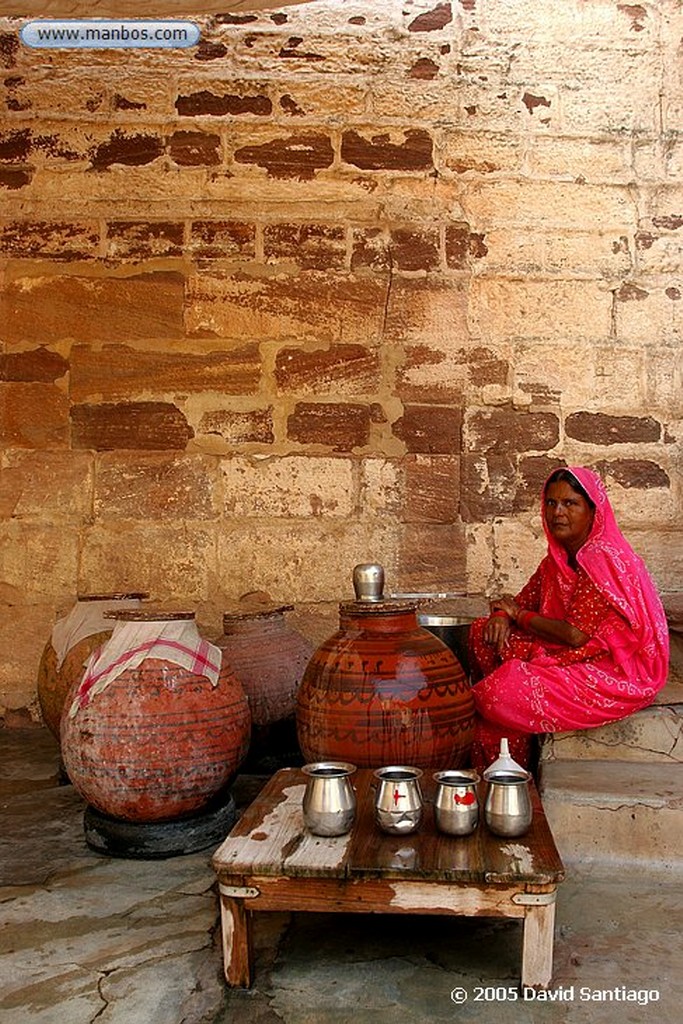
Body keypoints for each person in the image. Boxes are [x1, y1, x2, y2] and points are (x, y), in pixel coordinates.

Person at [468, 466, 670, 771]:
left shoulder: (601, 557)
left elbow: (575, 634)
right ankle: (514, 720)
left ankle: (511, 715)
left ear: (592, 510)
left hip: (614, 668)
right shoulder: (557, 560)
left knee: (497, 695)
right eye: (551, 503)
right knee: (481, 632)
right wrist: (501, 615)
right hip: (569, 652)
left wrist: (518, 616)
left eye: (569, 503)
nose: (557, 512)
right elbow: (519, 602)